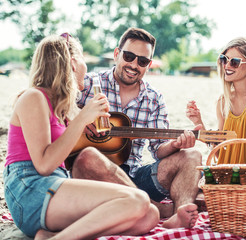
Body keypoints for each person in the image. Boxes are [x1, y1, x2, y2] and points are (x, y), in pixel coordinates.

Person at [3, 34, 159, 239]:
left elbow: (73, 143)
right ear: (74, 62)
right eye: (83, 58)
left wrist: (82, 119)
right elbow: (43, 165)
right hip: (30, 189)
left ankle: (52, 236)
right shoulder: (33, 97)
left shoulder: (61, 106)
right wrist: (82, 118)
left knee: (149, 216)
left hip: (54, 187)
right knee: (138, 200)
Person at [73, 27, 200, 229]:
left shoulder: (154, 98)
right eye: (129, 56)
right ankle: (158, 210)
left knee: (192, 155)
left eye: (142, 61)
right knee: (88, 159)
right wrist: (77, 118)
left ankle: (179, 214)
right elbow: (52, 106)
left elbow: (159, 151)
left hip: (135, 176)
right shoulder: (88, 84)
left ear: (148, 65)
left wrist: (175, 145)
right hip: (94, 179)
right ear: (117, 54)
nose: (134, 65)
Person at [186, 37, 246, 164]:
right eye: (224, 59)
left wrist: (239, 174)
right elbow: (220, 154)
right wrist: (199, 122)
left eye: (234, 62)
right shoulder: (223, 101)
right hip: (230, 176)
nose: (227, 66)